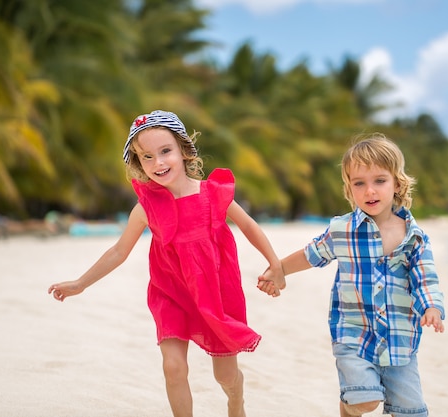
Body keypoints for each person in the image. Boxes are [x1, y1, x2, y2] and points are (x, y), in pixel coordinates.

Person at [48, 110, 283, 417]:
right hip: (170, 292)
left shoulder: (212, 193)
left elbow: (249, 226)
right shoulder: (146, 207)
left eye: (165, 151)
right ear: (138, 163)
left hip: (215, 292)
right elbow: (119, 251)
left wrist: (274, 263)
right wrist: (80, 283)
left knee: (225, 376)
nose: (158, 163)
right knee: (173, 367)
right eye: (147, 157)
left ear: (183, 151)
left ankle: (236, 400)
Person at [258, 133, 445, 417]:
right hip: (354, 334)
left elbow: (425, 277)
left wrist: (431, 306)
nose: (370, 191)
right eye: (360, 183)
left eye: (379, 181)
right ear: (349, 188)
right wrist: (279, 269)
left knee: (412, 412)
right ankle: (348, 406)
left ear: (397, 183)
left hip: (399, 340)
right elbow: (311, 254)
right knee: (363, 402)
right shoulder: (342, 230)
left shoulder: (414, 237)